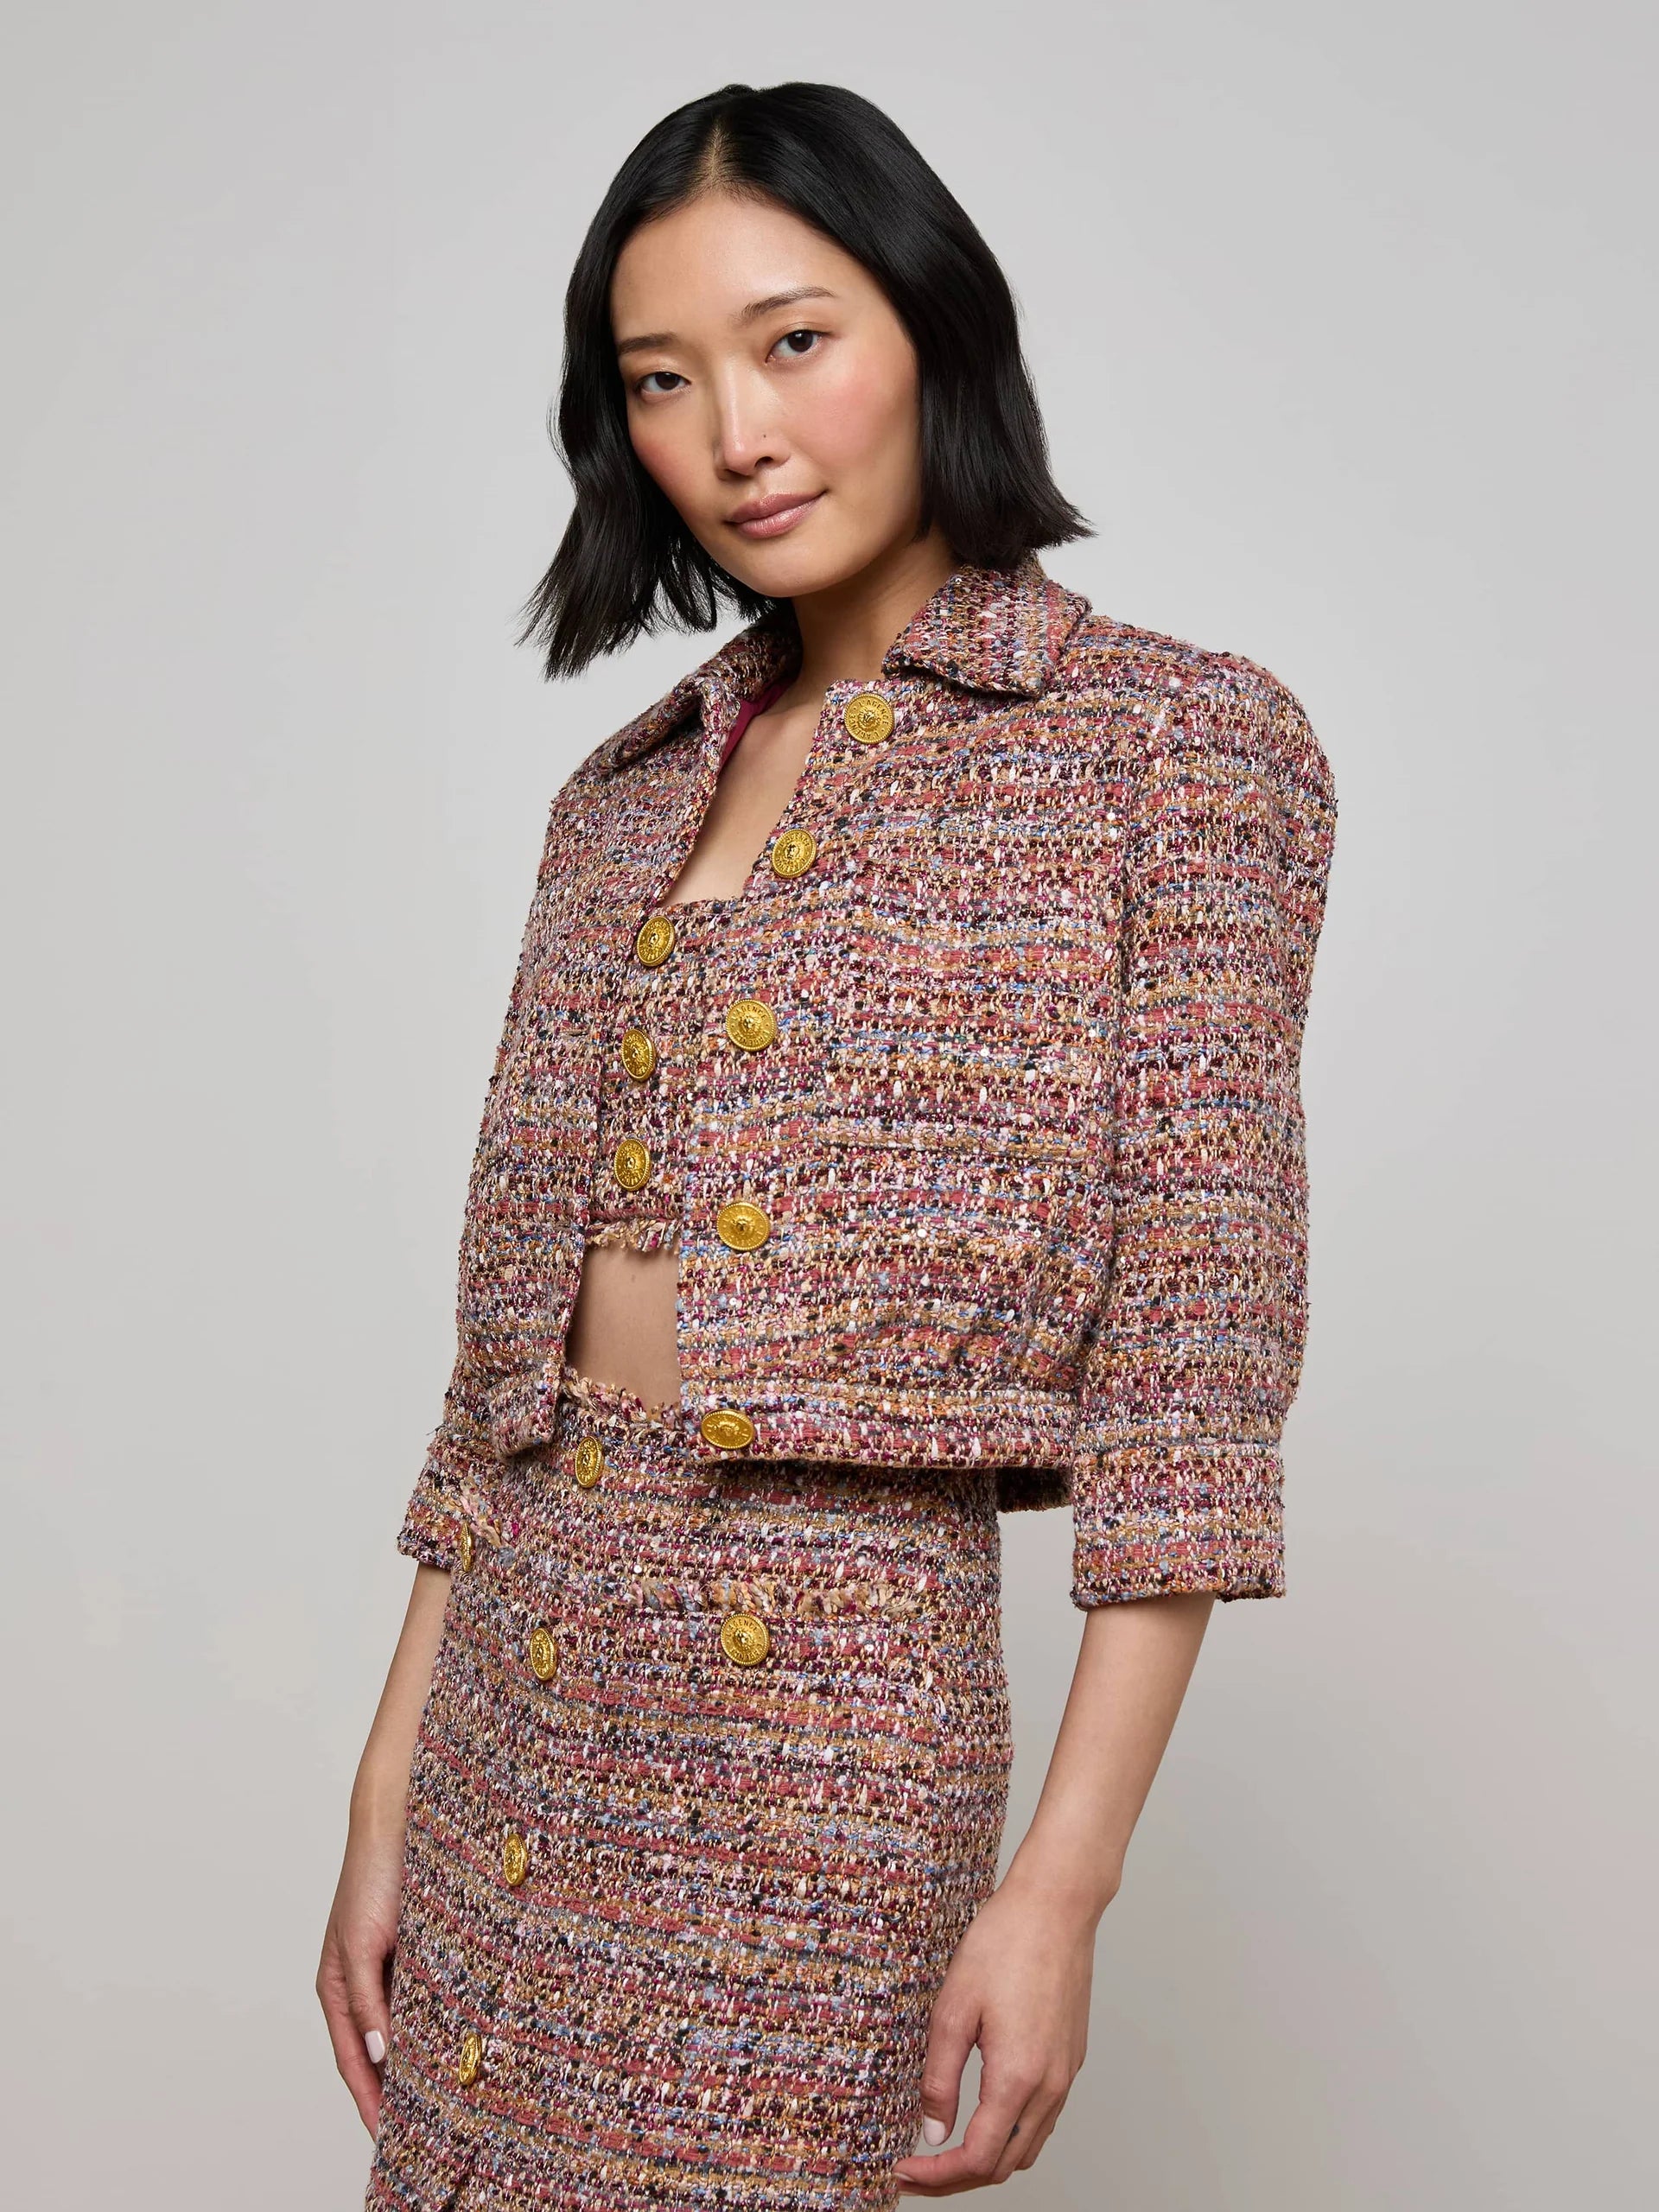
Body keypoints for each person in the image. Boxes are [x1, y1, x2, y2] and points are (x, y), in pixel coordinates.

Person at [319, 79, 1338, 2209]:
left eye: (794, 341)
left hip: (826, 1711)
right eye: (661, 379)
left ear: (935, 324)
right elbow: (499, 1370)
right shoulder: (617, 799)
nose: (737, 435)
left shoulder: (1178, 749)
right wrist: (388, 1771)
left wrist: (1057, 1889)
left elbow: (1197, 1378)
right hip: (521, 1664)